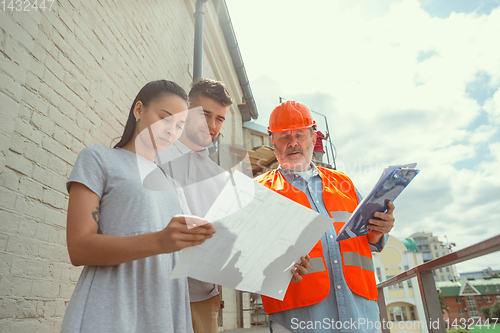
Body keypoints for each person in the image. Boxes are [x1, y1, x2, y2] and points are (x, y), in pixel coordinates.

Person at [61, 80, 215, 333]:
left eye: (179, 126)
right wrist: (161, 242)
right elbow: (78, 248)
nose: (171, 131)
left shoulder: (173, 185)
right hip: (111, 312)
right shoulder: (99, 158)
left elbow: (180, 257)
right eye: (165, 118)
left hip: (166, 314)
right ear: (139, 110)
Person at [254, 100, 395, 333]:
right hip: (299, 318)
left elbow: (366, 239)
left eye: (299, 134)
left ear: (313, 136)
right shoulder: (258, 191)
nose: (293, 142)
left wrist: (379, 231)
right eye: (284, 137)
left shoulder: (344, 183)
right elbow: (244, 257)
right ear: (273, 141)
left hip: (360, 313)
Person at [155, 78, 233, 333]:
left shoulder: (221, 178)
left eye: (220, 118)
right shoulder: (155, 156)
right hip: (154, 291)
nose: (212, 125)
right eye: (205, 114)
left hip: (201, 298)